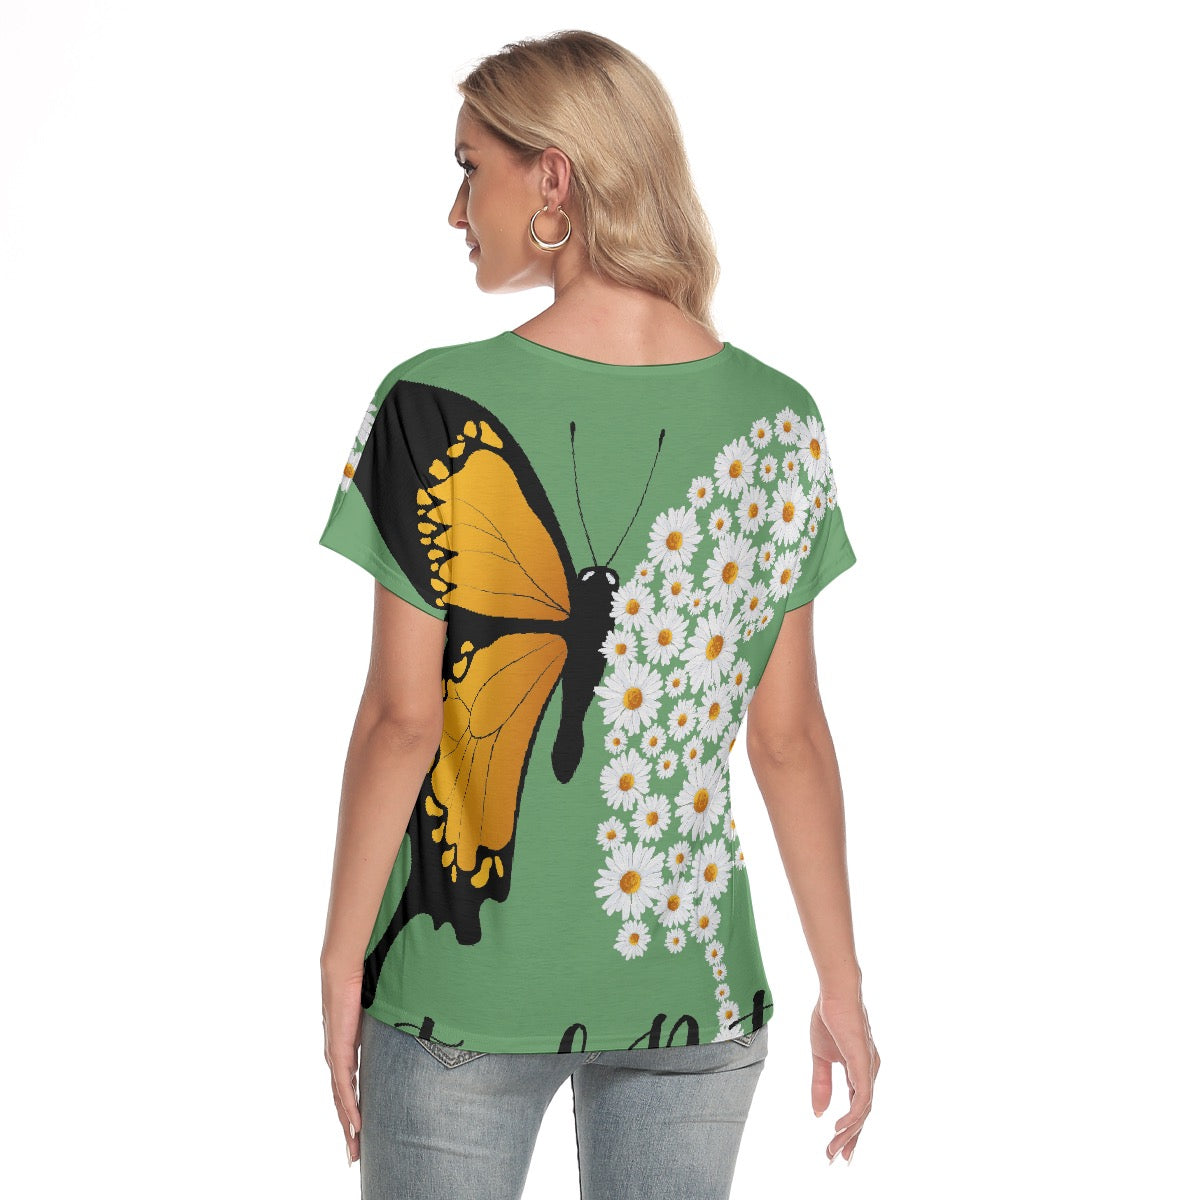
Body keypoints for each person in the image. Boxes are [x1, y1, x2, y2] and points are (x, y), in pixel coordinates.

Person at [317, 29, 880, 1200]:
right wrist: (842, 985)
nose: (456, 208)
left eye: (471, 167)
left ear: (553, 178)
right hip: (691, 991)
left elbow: (401, 722)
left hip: (463, 986)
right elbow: (788, 739)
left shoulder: (434, 401)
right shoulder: (779, 419)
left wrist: (338, 956)